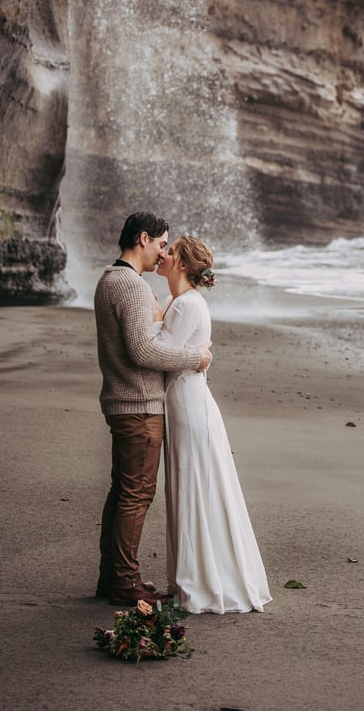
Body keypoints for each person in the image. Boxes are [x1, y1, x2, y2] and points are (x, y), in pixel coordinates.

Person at [94, 212, 212, 607]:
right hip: (139, 404)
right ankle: (125, 582)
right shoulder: (129, 285)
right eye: (162, 243)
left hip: (125, 399)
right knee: (136, 495)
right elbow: (143, 350)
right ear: (143, 238)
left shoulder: (115, 280)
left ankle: (111, 576)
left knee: (122, 490)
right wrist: (194, 359)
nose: (163, 252)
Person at [154, 235, 271, 614]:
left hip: (189, 407)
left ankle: (201, 583)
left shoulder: (187, 304)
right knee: (190, 487)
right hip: (185, 402)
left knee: (193, 487)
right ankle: (193, 576)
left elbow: (162, 356)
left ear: (183, 265)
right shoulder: (181, 302)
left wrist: (156, 322)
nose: (163, 255)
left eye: (170, 253)